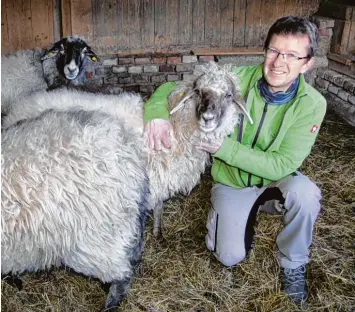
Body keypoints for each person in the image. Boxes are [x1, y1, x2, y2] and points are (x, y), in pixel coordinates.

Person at [144, 16, 326, 306]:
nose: (279, 62)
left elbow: (282, 165)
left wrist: (223, 148)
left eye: (292, 55)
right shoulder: (236, 79)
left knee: (306, 194)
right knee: (228, 256)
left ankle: (293, 262)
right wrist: (155, 113)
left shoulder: (312, 104)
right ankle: (243, 211)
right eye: (274, 51)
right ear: (265, 51)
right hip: (232, 182)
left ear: (307, 63)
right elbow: (172, 88)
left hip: (275, 180)